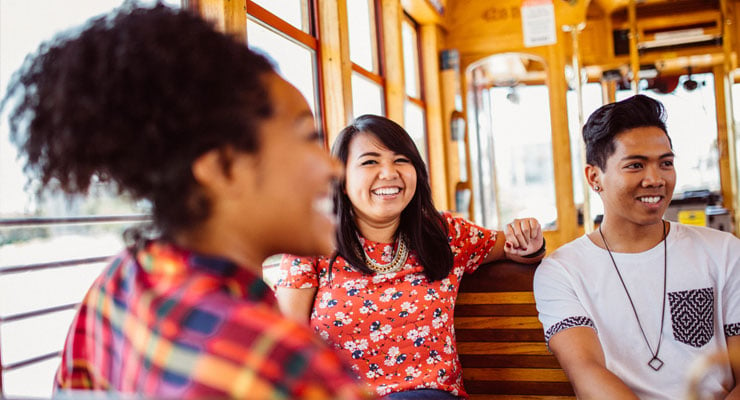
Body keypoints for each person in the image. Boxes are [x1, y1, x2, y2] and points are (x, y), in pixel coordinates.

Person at [1, 4, 369, 399]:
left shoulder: (117, 287)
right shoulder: (284, 365)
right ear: (223, 167)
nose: (334, 168)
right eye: (308, 137)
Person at [275, 114, 545, 399]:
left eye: (401, 160)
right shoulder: (309, 244)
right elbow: (290, 343)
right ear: (341, 179)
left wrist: (530, 242)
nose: (389, 173)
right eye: (370, 162)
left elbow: (515, 248)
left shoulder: (445, 234)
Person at [533, 95, 740, 399]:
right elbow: (587, 372)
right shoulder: (563, 271)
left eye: (666, 163)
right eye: (635, 165)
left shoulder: (723, 251)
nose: (655, 179)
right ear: (594, 177)